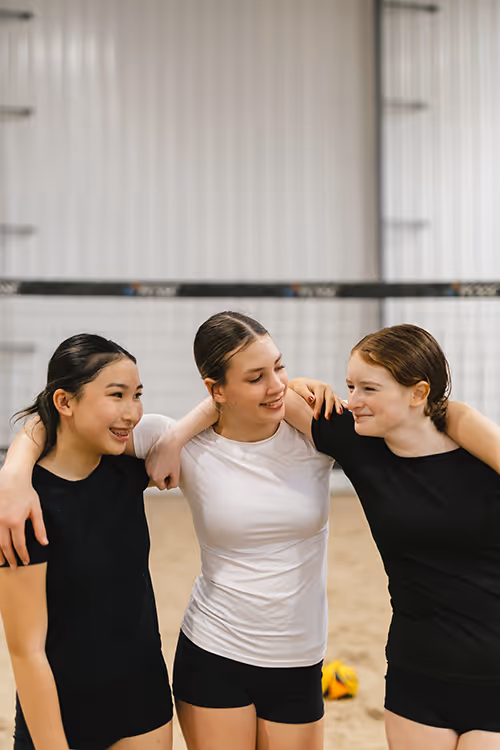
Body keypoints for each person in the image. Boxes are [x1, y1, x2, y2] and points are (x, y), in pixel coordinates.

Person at [0, 314, 498, 750]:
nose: (277, 384)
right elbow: (61, 421)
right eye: (256, 377)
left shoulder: (314, 433)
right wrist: (14, 472)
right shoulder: (173, 442)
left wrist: (451, 413)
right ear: (216, 390)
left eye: (278, 367)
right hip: (214, 648)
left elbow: (430, 416)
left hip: (299, 658)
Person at [286, 324, 500, 750]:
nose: (353, 401)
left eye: (369, 388)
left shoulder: (478, 454)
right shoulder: (359, 444)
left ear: (418, 393)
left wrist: (463, 417)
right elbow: (273, 395)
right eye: (350, 386)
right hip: (416, 675)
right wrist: (299, 384)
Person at [0, 334, 173, 750]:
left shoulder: (128, 472)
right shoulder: (23, 507)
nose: (133, 412)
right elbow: (26, 652)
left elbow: (220, 416)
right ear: (65, 402)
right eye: (117, 395)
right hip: (61, 719)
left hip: (145, 705)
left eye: (138, 395)